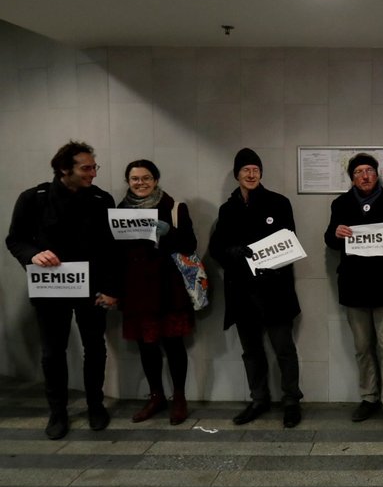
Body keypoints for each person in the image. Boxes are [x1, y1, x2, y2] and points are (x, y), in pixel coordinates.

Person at [6, 141, 118, 439]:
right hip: (51, 288)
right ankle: (58, 412)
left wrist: (110, 288)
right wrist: (32, 255)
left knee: (95, 348)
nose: (93, 173)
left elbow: (111, 249)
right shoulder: (33, 198)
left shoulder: (101, 199)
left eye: (95, 167)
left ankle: (96, 405)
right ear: (63, 168)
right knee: (52, 352)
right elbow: (15, 239)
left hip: (92, 288)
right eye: (86, 167)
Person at [210, 148, 303, 428]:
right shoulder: (227, 210)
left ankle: (291, 401)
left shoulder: (279, 203)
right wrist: (235, 253)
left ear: (261, 173)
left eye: (255, 170)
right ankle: (258, 399)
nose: (251, 175)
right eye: (245, 170)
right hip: (242, 293)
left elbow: (289, 242)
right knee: (251, 351)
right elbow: (217, 249)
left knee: (284, 349)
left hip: (275, 291)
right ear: (237, 174)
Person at [324, 153, 383, 433]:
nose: (365, 176)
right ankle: (368, 397)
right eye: (359, 172)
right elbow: (329, 239)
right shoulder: (340, 204)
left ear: (377, 174)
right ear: (351, 177)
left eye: (370, 171)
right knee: (363, 348)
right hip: (354, 286)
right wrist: (336, 234)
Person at [115, 160, 196, 425]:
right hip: (136, 289)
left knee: (173, 345)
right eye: (135, 179)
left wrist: (168, 232)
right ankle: (156, 396)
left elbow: (189, 244)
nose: (140, 183)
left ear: (156, 180)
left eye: (146, 178)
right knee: (146, 346)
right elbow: (112, 252)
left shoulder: (174, 208)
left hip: (167, 287)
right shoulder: (120, 211)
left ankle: (179, 398)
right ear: (128, 181)